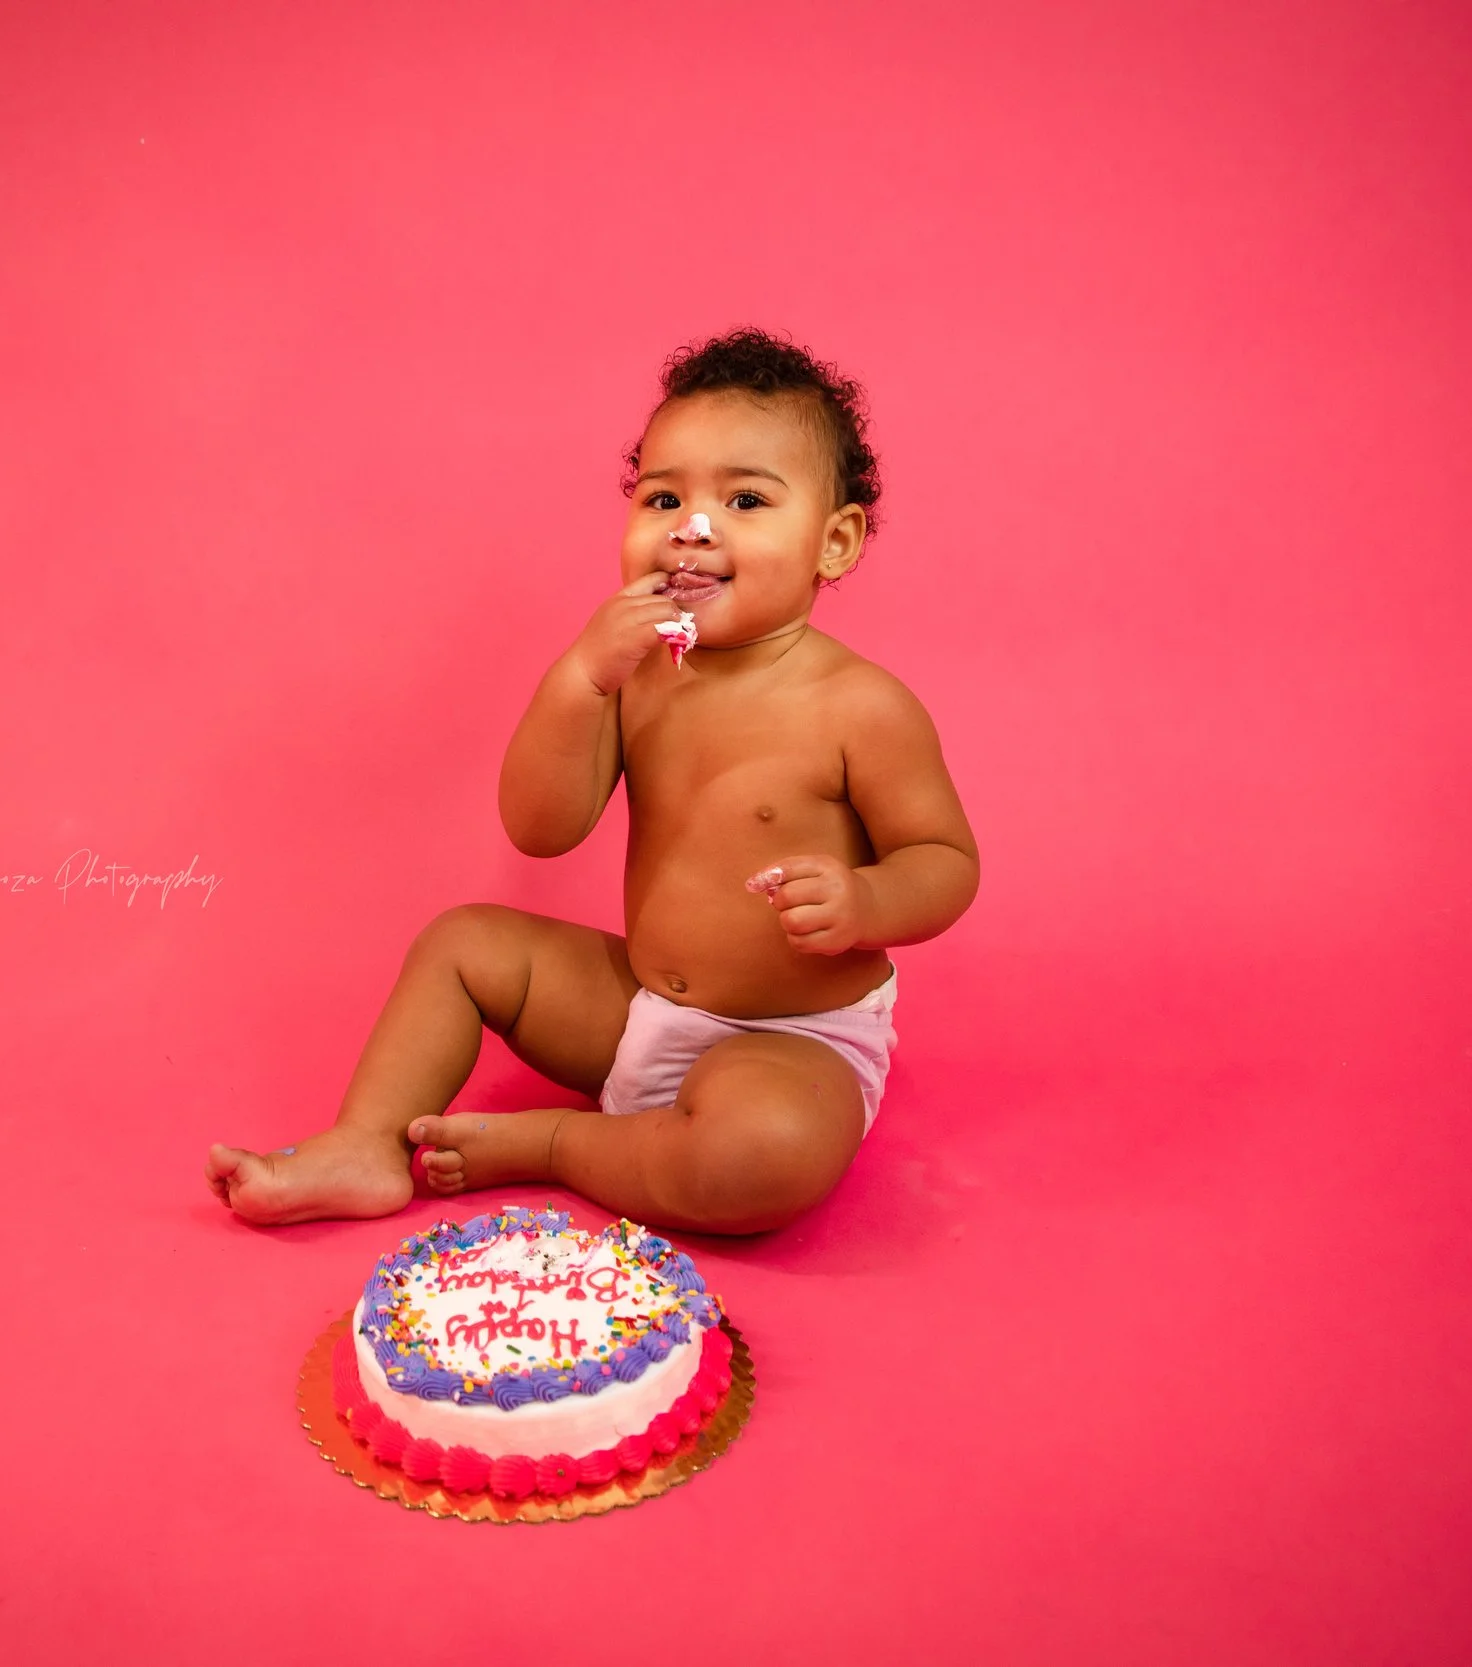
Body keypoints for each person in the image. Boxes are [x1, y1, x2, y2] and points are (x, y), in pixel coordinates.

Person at [206, 328, 978, 1233]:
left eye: (744, 498)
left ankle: (555, 1145)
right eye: (664, 496)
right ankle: (366, 1141)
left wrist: (866, 898)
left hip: (788, 1041)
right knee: (462, 942)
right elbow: (541, 826)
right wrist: (580, 679)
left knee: (760, 1154)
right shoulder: (636, 672)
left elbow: (945, 860)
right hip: (639, 1006)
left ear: (834, 541)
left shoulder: (861, 705)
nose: (694, 526)